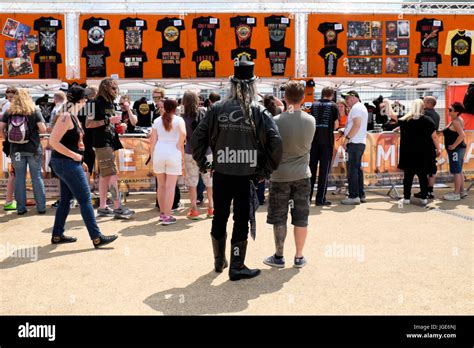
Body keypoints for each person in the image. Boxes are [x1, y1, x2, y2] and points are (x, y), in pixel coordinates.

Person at [191, 60, 282, 281]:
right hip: (246, 175)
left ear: (232, 84)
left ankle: (219, 261)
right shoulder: (259, 111)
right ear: (253, 85)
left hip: (221, 172)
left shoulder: (216, 109)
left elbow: (196, 141)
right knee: (241, 219)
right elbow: (276, 143)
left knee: (219, 216)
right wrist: (264, 171)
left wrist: (206, 164)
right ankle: (236, 265)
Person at [49, 86, 118, 248]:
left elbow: (71, 143)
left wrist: (80, 160)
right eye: (85, 100)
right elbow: (53, 142)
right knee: (85, 199)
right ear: (81, 100)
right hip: (66, 162)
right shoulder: (66, 116)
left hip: (68, 162)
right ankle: (96, 237)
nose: (86, 102)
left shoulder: (71, 116)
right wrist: (75, 157)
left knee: (66, 200)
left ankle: (57, 234)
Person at [263, 80, 315, 269]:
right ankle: (299, 256)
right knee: (301, 217)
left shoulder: (276, 121)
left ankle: (279, 255)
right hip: (302, 174)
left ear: (285, 97)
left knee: (279, 217)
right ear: (303, 98)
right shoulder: (311, 121)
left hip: (280, 175)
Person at [86, 78, 135, 219]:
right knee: (112, 174)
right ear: (105, 88)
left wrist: (119, 127)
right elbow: (88, 124)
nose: (116, 91)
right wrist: (109, 121)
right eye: (113, 88)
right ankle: (117, 207)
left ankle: (103, 206)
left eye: (116, 88)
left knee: (105, 175)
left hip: (110, 141)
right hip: (101, 143)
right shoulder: (93, 103)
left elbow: (110, 123)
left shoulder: (111, 103)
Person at [0, 88, 46, 215]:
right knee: (36, 176)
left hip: (16, 150)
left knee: (19, 177)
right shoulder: (34, 110)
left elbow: (1, 128)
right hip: (33, 148)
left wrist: (7, 139)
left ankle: (21, 208)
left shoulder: (9, 111)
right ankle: (41, 207)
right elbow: (43, 129)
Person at [397, 99, 441, 205]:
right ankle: (424, 198)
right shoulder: (428, 120)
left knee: (408, 177)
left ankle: (406, 198)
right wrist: (438, 148)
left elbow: (393, 116)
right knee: (422, 176)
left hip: (408, 153)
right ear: (422, 107)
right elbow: (434, 136)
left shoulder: (404, 120)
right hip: (423, 153)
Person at [150, 99, 186, 225]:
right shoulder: (179, 120)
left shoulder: (157, 121)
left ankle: (162, 214)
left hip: (159, 153)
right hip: (173, 153)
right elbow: (183, 134)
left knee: (161, 186)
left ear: (164, 107)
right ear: (176, 108)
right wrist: (178, 145)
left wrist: (152, 156)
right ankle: (167, 215)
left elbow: (152, 141)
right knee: (170, 186)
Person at [182, 90, 214, 220]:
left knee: (192, 182)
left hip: (190, 152)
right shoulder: (205, 113)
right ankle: (211, 208)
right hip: (207, 152)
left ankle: (194, 209)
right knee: (209, 182)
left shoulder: (183, 118)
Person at [309, 86, 340, 206]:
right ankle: (320, 199)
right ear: (331, 95)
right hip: (327, 142)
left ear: (322, 94)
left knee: (311, 170)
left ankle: (307, 198)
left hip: (313, 141)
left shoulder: (314, 104)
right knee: (323, 171)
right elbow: (336, 124)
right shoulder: (333, 105)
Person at [340, 90, 368, 205]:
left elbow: (357, 124)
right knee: (357, 169)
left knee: (352, 170)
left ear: (353, 97)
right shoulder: (360, 107)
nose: (346, 100)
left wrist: (347, 138)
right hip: (359, 142)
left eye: (347, 98)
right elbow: (356, 125)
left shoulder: (356, 108)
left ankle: (353, 196)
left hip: (354, 142)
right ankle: (360, 194)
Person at [443, 102, 467, 201]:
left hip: (456, 149)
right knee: (459, 170)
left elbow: (462, 135)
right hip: (459, 149)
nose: (448, 111)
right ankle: (461, 191)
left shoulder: (456, 121)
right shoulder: (457, 120)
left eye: (450, 110)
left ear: (456, 112)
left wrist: (454, 145)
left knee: (456, 171)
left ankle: (456, 193)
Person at [419, 96, 441, 199]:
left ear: (428, 104)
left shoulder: (424, 114)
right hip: (432, 145)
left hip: (423, 145)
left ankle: (424, 191)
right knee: (432, 169)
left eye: (423, 101)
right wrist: (438, 148)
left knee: (423, 169)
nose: (422, 103)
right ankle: (430, 191)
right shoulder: (437, 115)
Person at [1, 86, 18, 211]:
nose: (10, 98)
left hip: (12, 142)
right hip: (13, 143)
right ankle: (9, 200)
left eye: (12, 96)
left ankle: (13, 199)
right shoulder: (8, 107)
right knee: (14, 173)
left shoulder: (8, 106)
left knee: (15, 172)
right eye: (9, 96)